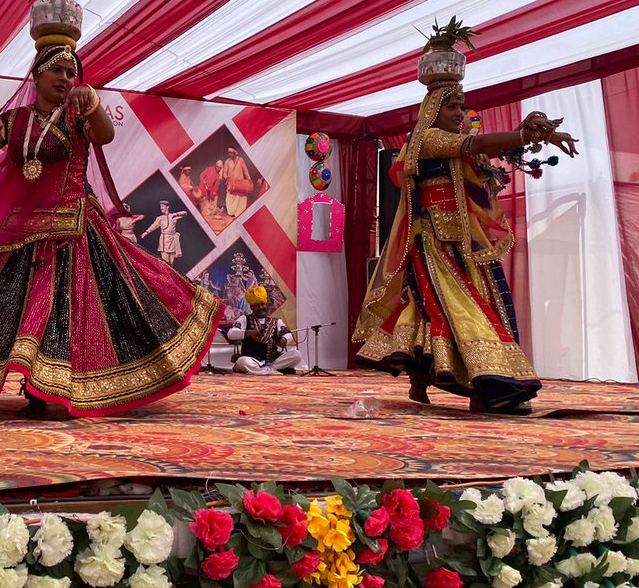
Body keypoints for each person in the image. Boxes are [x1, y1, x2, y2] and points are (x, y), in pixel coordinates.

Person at [0, 44, 221, 417]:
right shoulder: (14, 120)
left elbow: (105, 135)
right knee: (5, 306)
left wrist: (93, 103)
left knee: (69, 308)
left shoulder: (78, 113)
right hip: (22, 230)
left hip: (73, 228)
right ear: (37, 76)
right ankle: (30, 383)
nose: (65, 79)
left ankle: (50, 385)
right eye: (58, 71)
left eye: (70, 73)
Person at [353, 79, 578, 413]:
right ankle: (488, 386)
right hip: (436, 241)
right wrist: (530, 135)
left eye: (462, 106)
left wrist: (531, 128)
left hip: (467, 242)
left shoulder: (454, 141)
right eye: (452, 107)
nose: (460, 113)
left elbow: (484, 147)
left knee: (458, 308)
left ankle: (427, 372)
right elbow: (477, 144)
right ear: (433, 110)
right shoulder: (429, 138)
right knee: (463, 310)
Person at [226, 286, 301, 375]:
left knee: (296, 355)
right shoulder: (244, 319)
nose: (261, 307)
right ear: (251, 307)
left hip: (272, 361)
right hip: (252, 360)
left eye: (263, 304)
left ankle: (265, 370)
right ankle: (272, 372)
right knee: (242, 362)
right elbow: (231, 334)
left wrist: (284, 339)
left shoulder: (276, 321)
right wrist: (248, 333)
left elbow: (288, 334)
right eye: (257, 305)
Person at [141, 200, 188, 266]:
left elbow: (185, 213)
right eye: (161, 206)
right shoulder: (160, 218)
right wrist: (146, 232)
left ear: (167, 207)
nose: (161, 208)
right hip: (164, 240)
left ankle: (171, 273)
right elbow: (154, 226)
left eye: (163, 206)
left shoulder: (173, 216)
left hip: (172, 240)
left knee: (171, 261)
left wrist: (175, 214)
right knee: (165, 261)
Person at [222, 147, 253, 216]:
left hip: (240, 183)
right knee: (230, 199)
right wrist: (227, 178)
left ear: (235, 152)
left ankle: (239, 214)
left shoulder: (241, 159)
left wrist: (249, 179)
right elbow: (224, 173)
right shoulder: (227, 161)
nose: (229, 154)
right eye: (229, 152)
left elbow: (245, 170)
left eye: (231, 152)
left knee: (241, 199)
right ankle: (232, 213)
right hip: (231, 184)